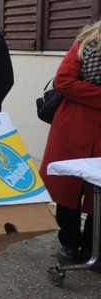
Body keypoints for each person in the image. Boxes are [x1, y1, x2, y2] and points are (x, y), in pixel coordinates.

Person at [41, 20, 101, 265]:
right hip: (74, 126)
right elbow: (63, 81)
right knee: (69, 190)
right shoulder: (86, 43)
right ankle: (69, 243)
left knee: (99, 193)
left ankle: (92, 248)